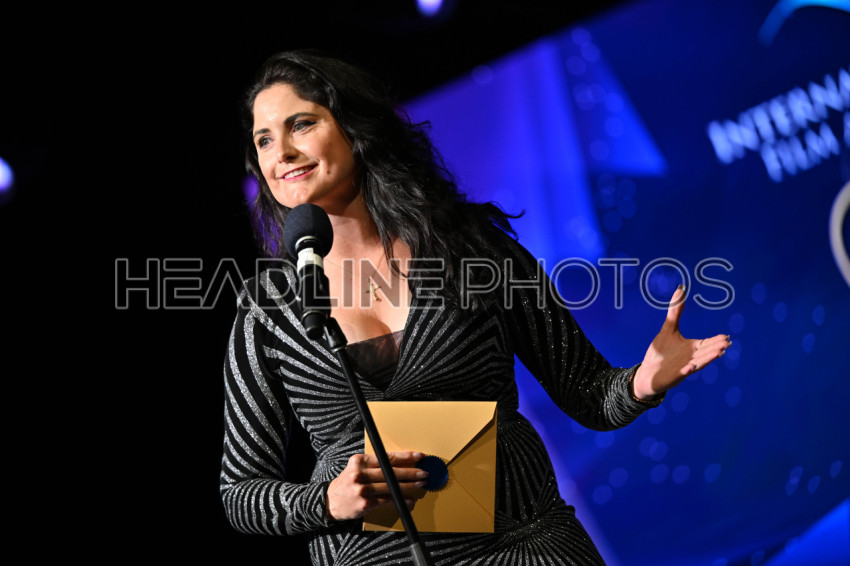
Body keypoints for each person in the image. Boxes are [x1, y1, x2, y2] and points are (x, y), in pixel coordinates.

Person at [220, 49, 730, 565]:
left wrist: (642, 383)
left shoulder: (469, 248)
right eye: (264, 140)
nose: (282, 153)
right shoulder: (267, 309)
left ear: (354, 128)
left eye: (301, 124)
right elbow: (240, 493)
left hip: (527, 548)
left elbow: (588, 393)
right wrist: (326, 500)